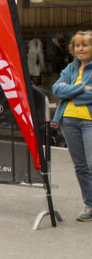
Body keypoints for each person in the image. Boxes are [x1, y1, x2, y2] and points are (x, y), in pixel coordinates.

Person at [52, 31, 92, 222]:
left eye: (85, 45)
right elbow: (57, 89)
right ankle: (90, 205)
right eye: (77, 45)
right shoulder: (70, 68)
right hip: (68, 121)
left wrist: (70, 92)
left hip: (89, 122)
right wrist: (82, 88)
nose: (81, 48)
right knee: (81, 167)